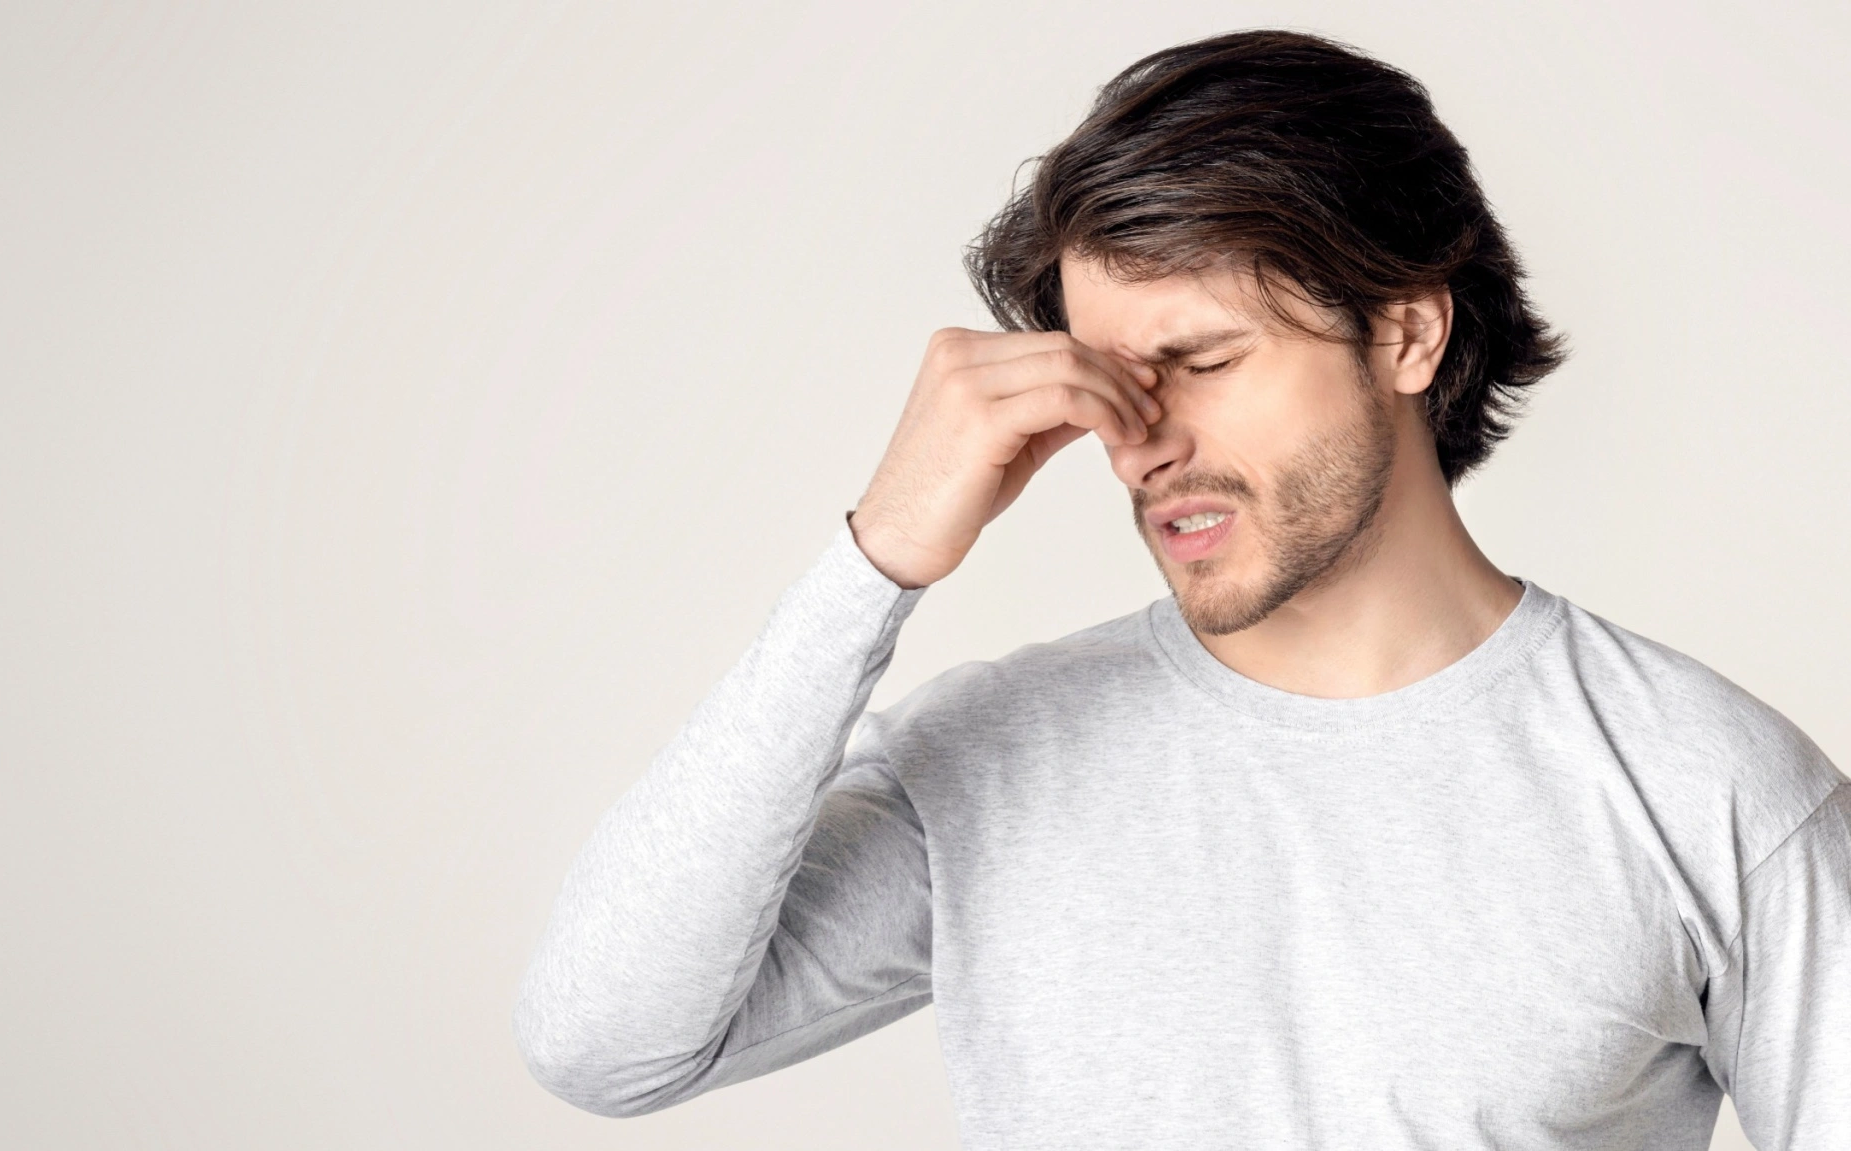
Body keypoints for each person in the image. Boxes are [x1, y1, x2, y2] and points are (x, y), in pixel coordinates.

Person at [515, 29, 1849, 1151]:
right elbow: (604, 1042)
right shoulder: (995, 756)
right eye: (1108, 382)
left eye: (1202, 360)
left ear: (1405, 330)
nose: (1143, 440)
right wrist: (874, 559)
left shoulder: (1708, 787)